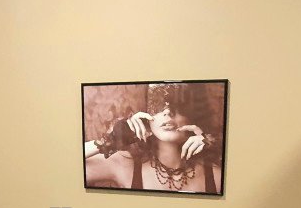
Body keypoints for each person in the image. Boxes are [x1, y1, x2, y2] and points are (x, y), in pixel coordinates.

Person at [83, 83, 222, 193]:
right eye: (157, 102)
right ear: (144, 115)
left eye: (179, 103)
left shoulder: (215, 174)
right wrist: (110, 141)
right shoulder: (125, 165)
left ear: (194, 115)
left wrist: (218, 145)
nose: (168, 111)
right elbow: (71, 168)